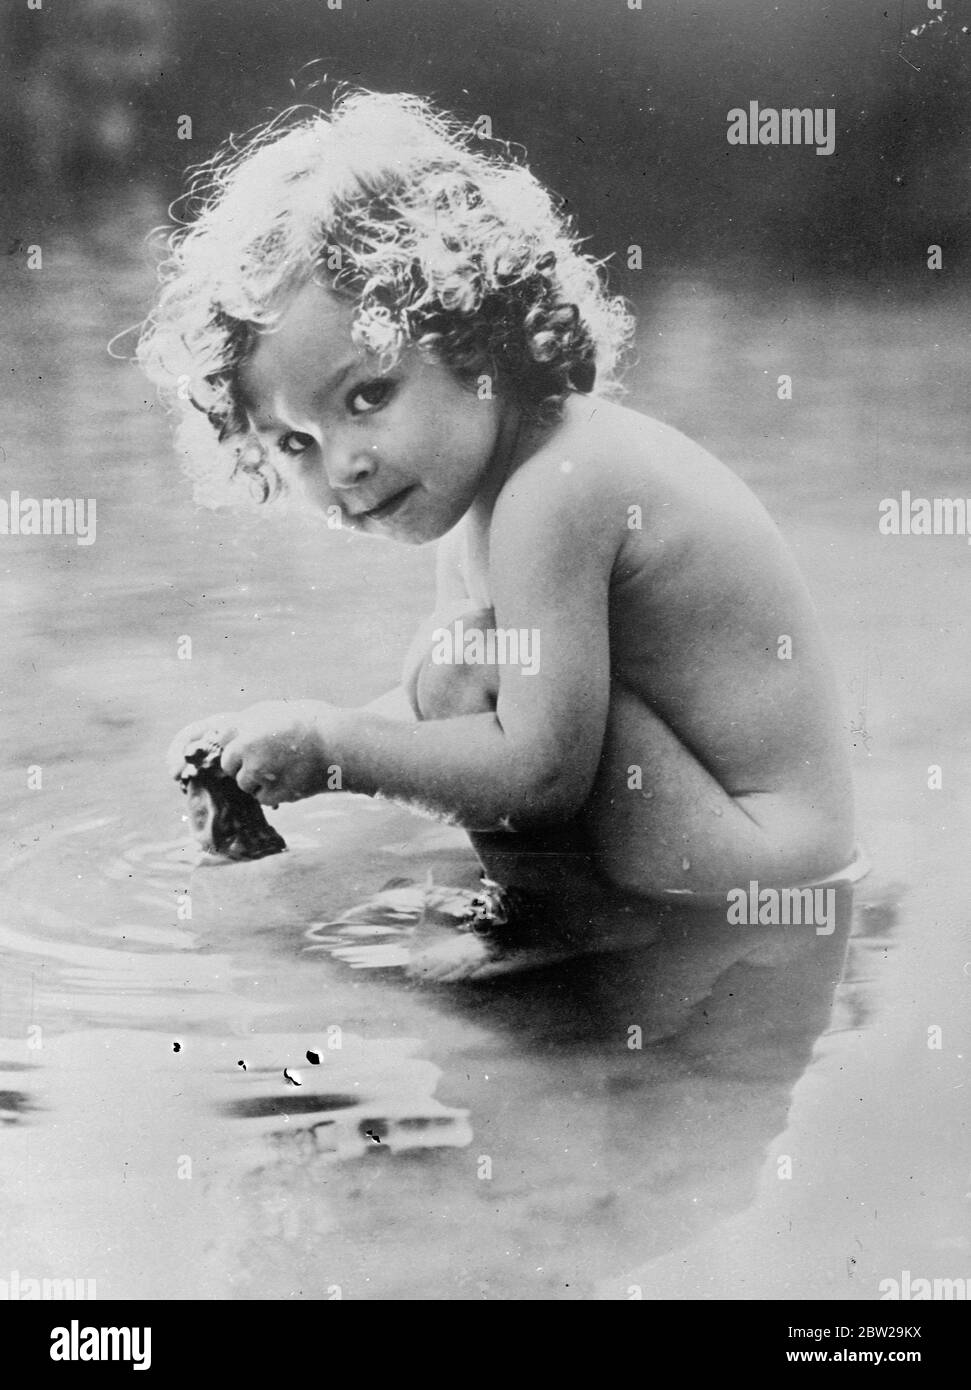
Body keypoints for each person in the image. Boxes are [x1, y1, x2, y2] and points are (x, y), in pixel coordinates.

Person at [139, 90, 858, 979]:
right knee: (454, 668)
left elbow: (540, 772)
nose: (346, 466)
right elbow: (429, 721)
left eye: (368, 396)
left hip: (752, 871)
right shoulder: (495, 484)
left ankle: (559, 938)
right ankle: (548, 926)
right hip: (728, 844)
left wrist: (331, 752)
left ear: (473, 334)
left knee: (466, 661)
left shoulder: (556, 489)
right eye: (296, 444)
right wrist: (267, 744)